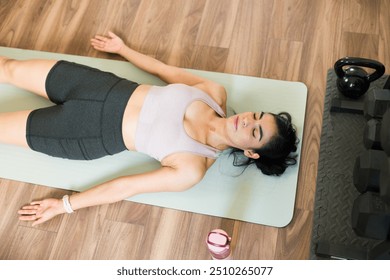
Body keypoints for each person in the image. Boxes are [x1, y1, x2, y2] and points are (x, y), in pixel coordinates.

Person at [0, 32, 298, 226]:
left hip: (85, 131)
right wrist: (123, 49)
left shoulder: (191, 167)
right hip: (99, 86)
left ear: (250, 151)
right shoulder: (214, 92)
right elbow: (163, 71)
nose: (247, 120)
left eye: (255, 132)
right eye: (256, 116)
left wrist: (63, 206)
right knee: (8, 67)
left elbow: (126, 186)